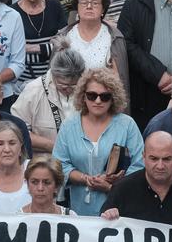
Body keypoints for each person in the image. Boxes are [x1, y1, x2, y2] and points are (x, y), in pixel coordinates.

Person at [51, 67, 144, 216]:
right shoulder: (69, 126)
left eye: (105, 96)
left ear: (114, 98)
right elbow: (58, 164)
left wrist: (111, 186)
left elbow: (139, 165)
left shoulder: (127, 125)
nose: (98, 101)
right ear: (83, 96)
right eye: (92, 95)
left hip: (119, 209)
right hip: (77, 209)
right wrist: (85, 178)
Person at [52, 0, 129, 85]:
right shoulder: (64, 36)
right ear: (77, 8)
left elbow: (119, 82)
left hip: (100, 99)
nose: (89, 6)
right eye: (84, 3)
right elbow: (54, 77)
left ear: (103, 9)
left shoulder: (114, 38)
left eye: (95, 3)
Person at [11, 50, 84, 155]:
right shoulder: (34, 90)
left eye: (73, 85)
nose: (68, 89)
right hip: (45, 161)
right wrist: (51, 146)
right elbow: (17, 130)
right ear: (53, 75)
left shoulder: (88, 88)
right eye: (63, 85)